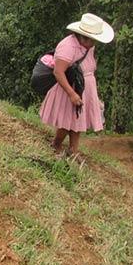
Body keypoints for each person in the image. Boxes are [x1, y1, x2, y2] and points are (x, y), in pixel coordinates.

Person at [39, 13, 114, 159]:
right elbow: (59, 72)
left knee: (78, 120)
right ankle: (56, 143)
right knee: (67, 120)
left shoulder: (88, 46)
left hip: (84, 86)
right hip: (70, 86)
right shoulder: (67, 47)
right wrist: (71, 93)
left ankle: (73, 151)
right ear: (84, 37)